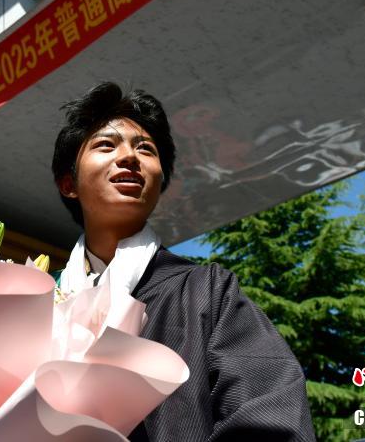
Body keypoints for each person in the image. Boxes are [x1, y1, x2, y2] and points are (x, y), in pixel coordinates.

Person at [53, 82, 316, 441]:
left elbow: (272, 417)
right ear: (69, 184)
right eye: (106, 145)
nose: (129, 157)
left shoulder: (208, 292)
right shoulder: (39, 301)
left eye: (145, 149)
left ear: (160, 181)